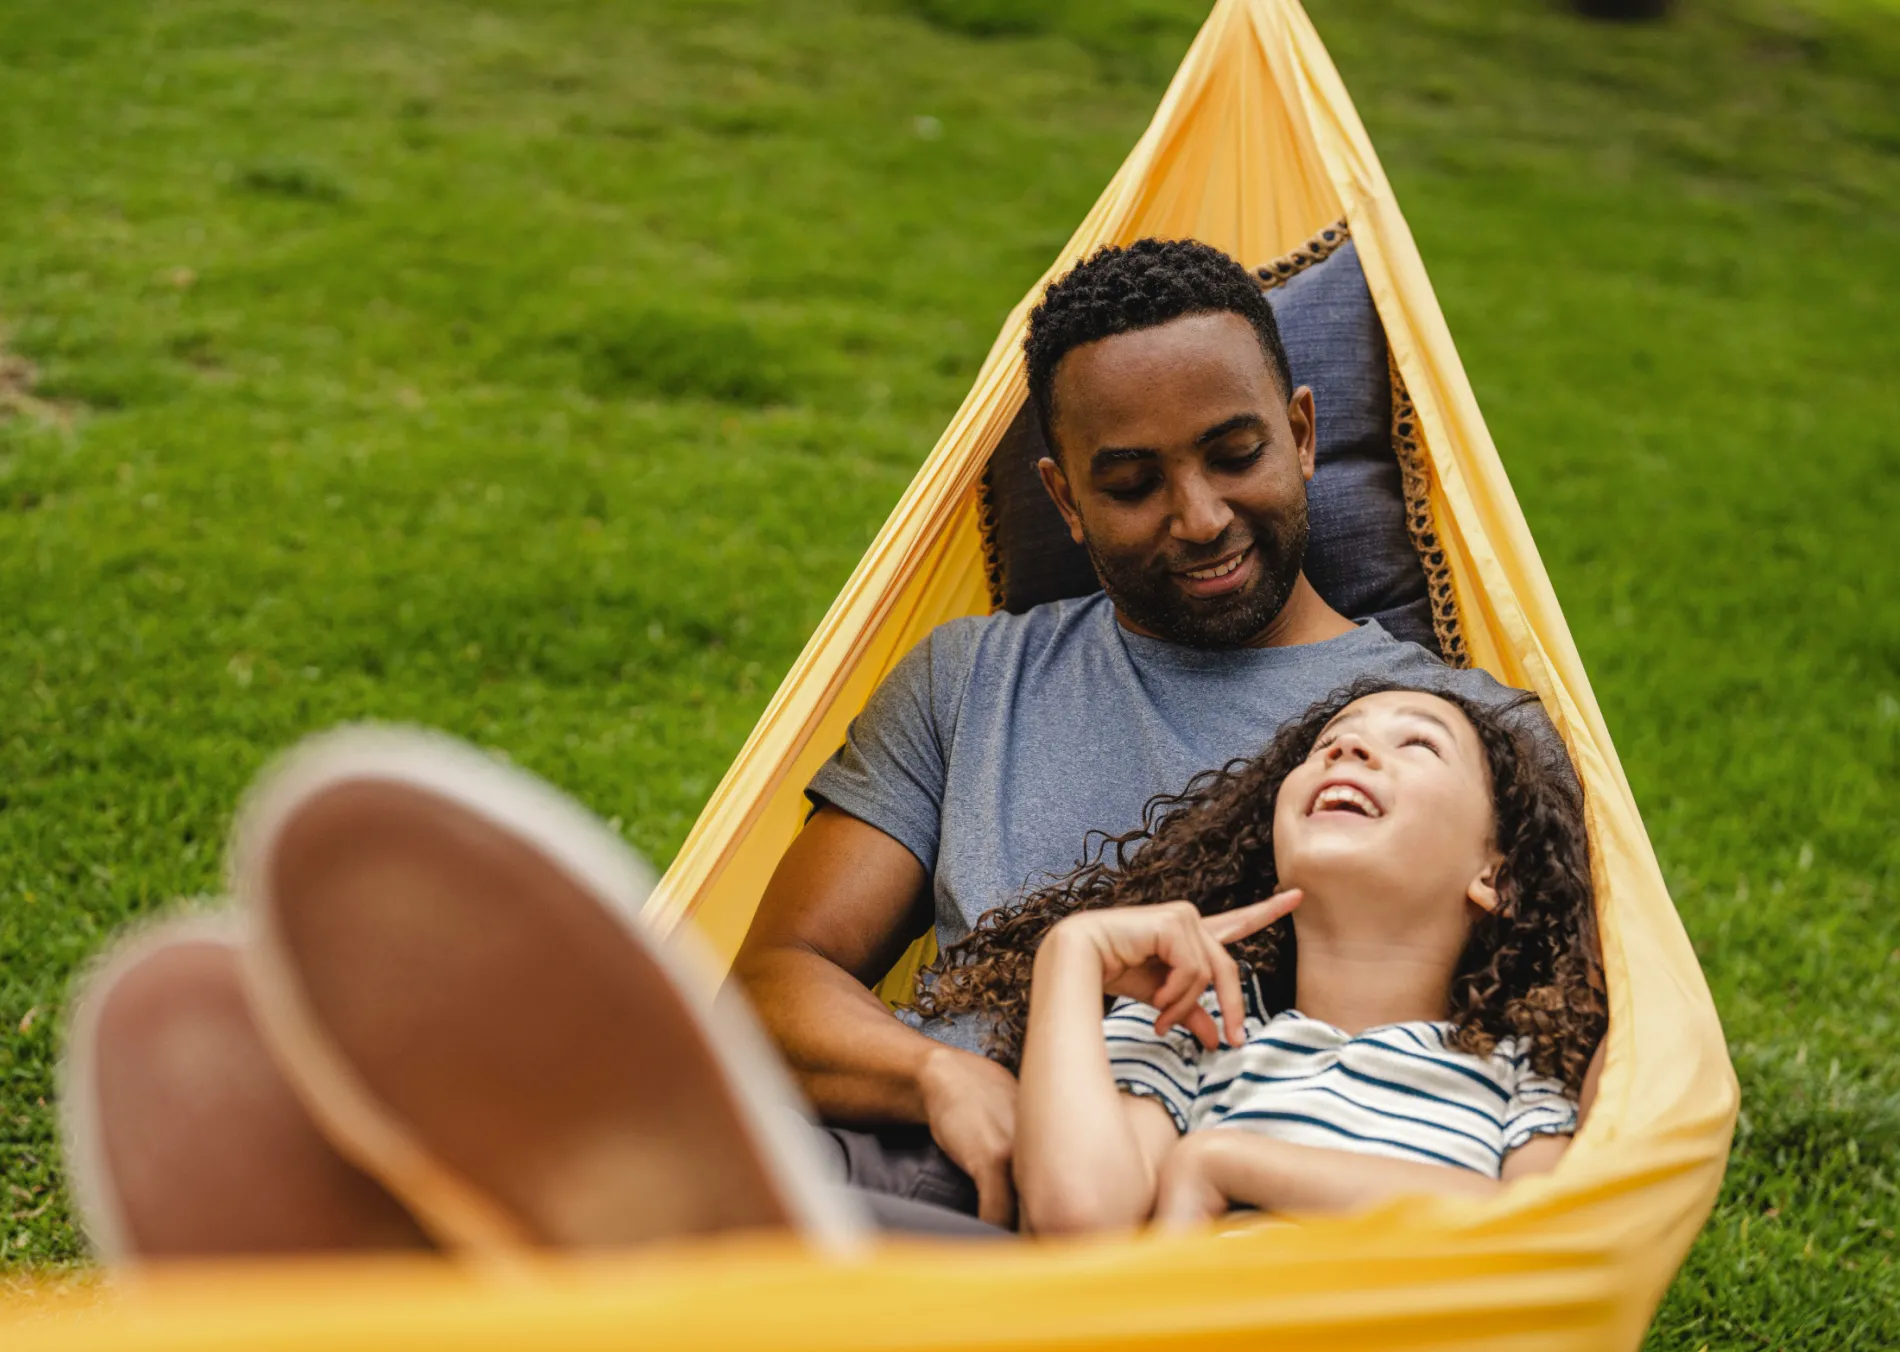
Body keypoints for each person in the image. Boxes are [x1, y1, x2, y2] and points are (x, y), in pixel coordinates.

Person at [732, 238, 1572, 1230]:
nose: (1200, 515)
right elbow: (770, 979)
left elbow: (1580, 1067)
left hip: (1161, 1224)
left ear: (1302, 434)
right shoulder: (971, 679)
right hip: (903, 1151)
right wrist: (934, 1077)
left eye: (1235, 454)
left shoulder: (1470, 742)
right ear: (1065, 501)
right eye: (1132, 483)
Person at [907, 679, 1604, 1235]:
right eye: (1330, 743)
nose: (1347, 752)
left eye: (1419, 745)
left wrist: (1225, 1163)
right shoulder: (1194, 1028)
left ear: (1499, 878)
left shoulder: (1520, 1068)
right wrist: (1072, 950)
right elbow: (1078, 1221)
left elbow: (1537, 1238)